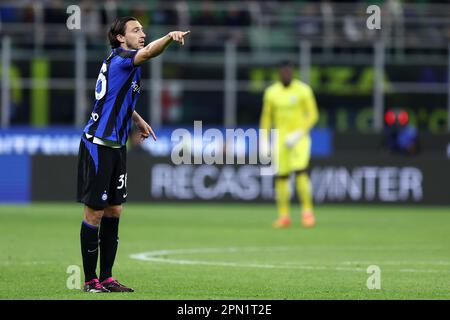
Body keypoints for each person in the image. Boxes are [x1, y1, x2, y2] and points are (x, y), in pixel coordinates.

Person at [77, 16, 189, 293]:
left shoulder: (119, 62)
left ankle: (107, 278)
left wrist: (136, 119)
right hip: (98, 144)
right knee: (94, 214)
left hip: (117, 146)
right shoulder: (124, 59)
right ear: (120, 38)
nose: (142, 33)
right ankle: (91, 281)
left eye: (143, 29)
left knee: (114, 210)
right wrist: (169, 37)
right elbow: (150, 51)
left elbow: (114, 97)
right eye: (135, 30)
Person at [260, 60, 319, 229]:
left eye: (288, 72)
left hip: (299, 139)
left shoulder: (303, 90)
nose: (286, 74)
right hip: (280, 139)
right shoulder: (271, 92)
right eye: (283, 72)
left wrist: (299, 132)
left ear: (292, 73)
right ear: (279, 73)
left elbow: (313, 115)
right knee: (282, 178)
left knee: (300, 173)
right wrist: (264, 140)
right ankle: (284, 216)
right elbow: (266, 118)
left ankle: (307, 213)